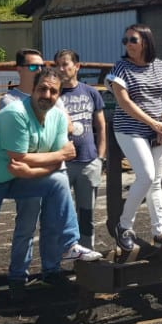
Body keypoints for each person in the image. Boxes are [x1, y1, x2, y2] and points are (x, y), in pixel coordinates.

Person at [0, 67, 102, 324]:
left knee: (58, 181)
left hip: (15, 177)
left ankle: (70, 245)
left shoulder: (59, 118)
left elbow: (49, 165)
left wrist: (33, 169)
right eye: (42, 89)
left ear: (59, 94)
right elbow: (24, 158)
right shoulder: (16, 114)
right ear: (32, 90)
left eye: (53, 91)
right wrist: (55, 157)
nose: (47, 94)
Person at [0, 48, 70, 295]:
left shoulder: (50, 95)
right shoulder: (10, 101)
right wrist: (57, 154)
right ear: (18, 69)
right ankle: (18, 274)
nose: (37, 70)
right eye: (31, 66)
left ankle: (51, 270)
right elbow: (20, 150)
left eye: (41, 66)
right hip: (29, 174)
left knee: (52, 223)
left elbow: (66, 124)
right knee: (26, 225)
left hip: (48, 171)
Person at [107, 24, 162, 251]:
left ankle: (160, 231)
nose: (127, 44)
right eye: (124, 41)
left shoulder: (161, 66)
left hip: (157, 129)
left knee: (156, 181)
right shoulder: (121, 67)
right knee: (146, 176)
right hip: (130, 128)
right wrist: (153, 124)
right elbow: (124, 102)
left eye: (132, 40)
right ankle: (124, 226)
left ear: (145, 40)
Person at [54, 48, 106, 249]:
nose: (61, 68)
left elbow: (101, 126)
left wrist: (100, 158)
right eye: (57, 64)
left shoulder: (91, 92)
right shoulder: (53, 94)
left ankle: (87, 253)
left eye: (65, 64)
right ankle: (61, 255)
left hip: (89, 161)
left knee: (87, 214)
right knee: (60, 213)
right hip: (62, 164)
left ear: (77, 67)